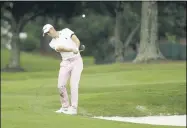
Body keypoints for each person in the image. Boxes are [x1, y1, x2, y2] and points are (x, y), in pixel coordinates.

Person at [42, 24, 83, 115]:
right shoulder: (52, 43)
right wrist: (72, 49)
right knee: (60, 85)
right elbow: (61, 48)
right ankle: (65, 107)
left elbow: (76, 40)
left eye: (48, 32)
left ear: (52, 29)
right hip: (65, 63)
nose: (48, 34)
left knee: (73, 84)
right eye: (46, 33)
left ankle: (73, 108)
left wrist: (76, 47)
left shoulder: (66, 31)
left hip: (77, 61)